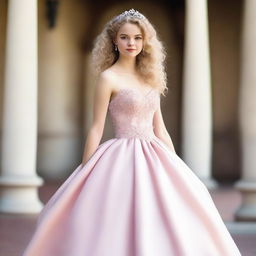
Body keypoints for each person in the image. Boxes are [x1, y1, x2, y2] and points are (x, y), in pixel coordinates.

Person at [23, 8, 241, 256]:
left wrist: (176, 166)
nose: (131, 43)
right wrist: (85, 172)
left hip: (154, 152)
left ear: (144, 41)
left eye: (137, 38)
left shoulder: (151, 77)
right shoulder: (108, 78)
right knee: (118, 213)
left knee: (172, 209)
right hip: (120, 154)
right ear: (114, 40)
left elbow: (160, 128)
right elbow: (96, 127)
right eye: (125, 37)